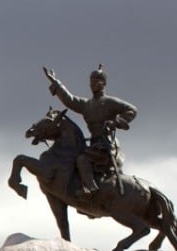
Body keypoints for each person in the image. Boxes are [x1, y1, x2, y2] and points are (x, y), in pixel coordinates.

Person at [43, 65, 138, 197]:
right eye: (91, 82)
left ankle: (91, 189)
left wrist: (115, 122)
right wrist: (55, 82)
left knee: (82, 160)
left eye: (96, 82)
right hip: (94, 144)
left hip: (107, 144)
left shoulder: (110, 102)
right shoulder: (87, 105)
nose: (92, 85)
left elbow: (132, 110)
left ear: (103, 83)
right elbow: (69, 100)